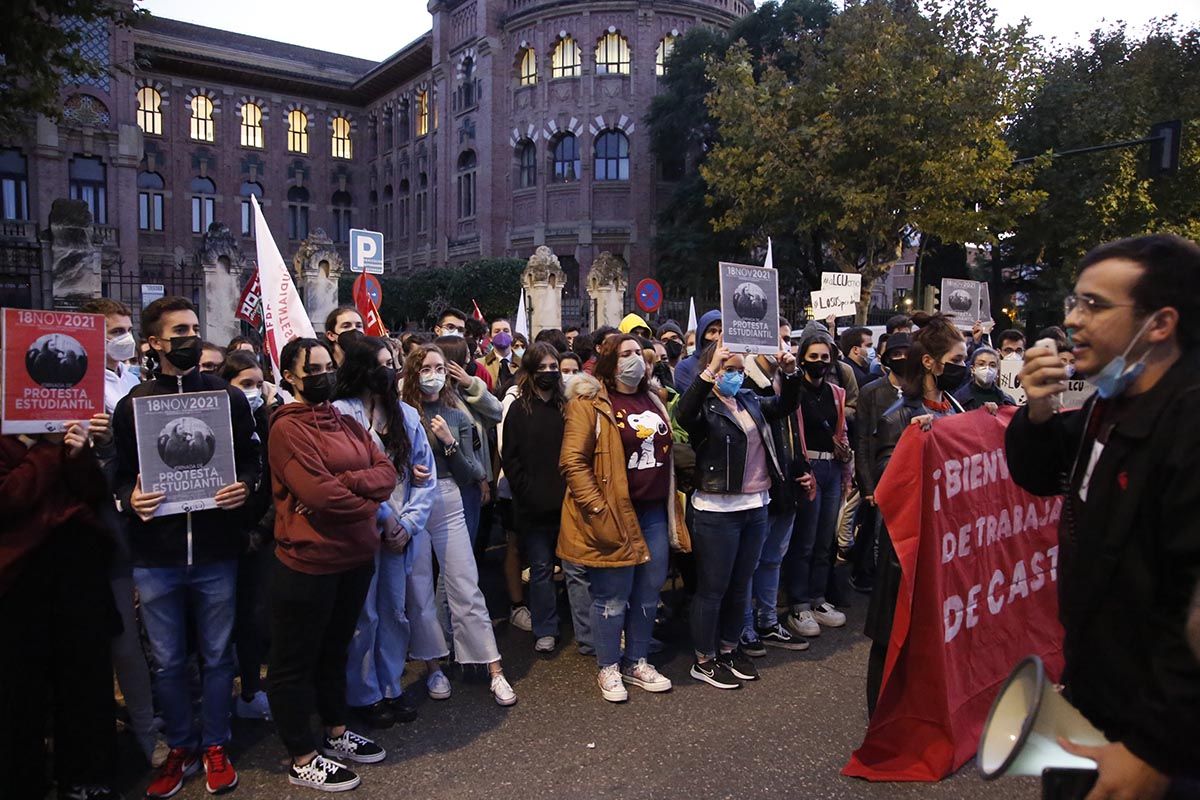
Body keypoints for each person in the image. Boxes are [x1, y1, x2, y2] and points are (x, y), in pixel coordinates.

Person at [1005, 235, 1200, 799]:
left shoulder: (1190, 422)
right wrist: (1037, 414)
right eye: (1074, 302)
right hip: (1102, 698)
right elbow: (1043, 476)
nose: (1072, 320)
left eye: (1094, 305)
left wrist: (1153, 750)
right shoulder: (1108, 403)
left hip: (1167, 736)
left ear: (1160, 323)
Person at [112, 296, 259, 797]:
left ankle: (215, 742)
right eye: (179, 330)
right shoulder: (132, 405)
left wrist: (245, 486)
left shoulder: (228, 398)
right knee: (169, 661)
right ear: (153, 342)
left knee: (219, 657)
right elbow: (118, 472)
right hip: (156, 557)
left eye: (195, 327)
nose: (191, 337)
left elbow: (253, 462)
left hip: (216, 552)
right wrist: (128, 497)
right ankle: (180, 746)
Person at [266, 337, 395, 792]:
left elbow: (387, 472)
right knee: (294, 662)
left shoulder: (344, 420)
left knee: (334, 651)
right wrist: (362, 499)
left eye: (327, 366)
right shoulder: (286, 427)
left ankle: (336, 731)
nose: (322, 375)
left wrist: (345, 485)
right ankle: (302, 755)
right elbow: (316, 493)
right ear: (290, 378)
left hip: (355, 557)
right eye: (312, 370)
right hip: (308, 563)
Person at [560, 334, 689, 701]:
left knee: (649, 594)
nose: (636, 360)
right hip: (614, 513)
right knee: (611, 597)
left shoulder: (653, 398)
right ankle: (608, 667)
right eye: (626, 354)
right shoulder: (589, 403)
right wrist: (598, 508)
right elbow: (573, 461)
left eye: (639, 354)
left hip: (654, 513)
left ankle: (637, 660)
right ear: (608, 362)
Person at [0, 421, 122, 800]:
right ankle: (22, 780)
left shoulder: (68, 433)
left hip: (77, 566)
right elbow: (8, 500)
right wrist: (46, 449)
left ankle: (84, 776)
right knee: (19, 689)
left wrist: (76, 453)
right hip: (19, 577)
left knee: (84, 677)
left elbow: (93, 494)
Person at [332, 337, 447, 727]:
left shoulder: (406, 416)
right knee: (364, 616)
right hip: (361, 530)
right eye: (381, 363)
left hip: (402, 536)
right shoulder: (340, 415)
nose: (388, 370)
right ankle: (363, 694)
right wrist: (386, 520)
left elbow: (424, 475)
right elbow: (345, 479)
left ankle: (391, 686)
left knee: (395, 613)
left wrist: (408, 524)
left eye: (391, 362)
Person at [675, 337, 800, 688]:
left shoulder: (748, 400)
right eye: (728, 370)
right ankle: (704, 658)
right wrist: (712, 369)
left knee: (740, 585)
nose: (734, 376)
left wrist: (791, 374)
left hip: (755, 505)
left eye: (738, 371)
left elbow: (786, 405)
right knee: (713, 588)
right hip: (717, 509)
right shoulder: (704, 408)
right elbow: (683, 415)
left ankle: (729, 648)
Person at [401, 344, 517, 706]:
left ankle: (493, 668)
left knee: (465, 584)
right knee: (419, 587)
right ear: (413, 372)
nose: (433, 373)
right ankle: (434, 666)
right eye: (426, 367)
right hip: (413, 501)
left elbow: (474, 471)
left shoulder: (457, 415)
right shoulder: (402, 415)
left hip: (450, 497)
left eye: (439, 367)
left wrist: (450, 445)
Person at [865, 313, 967, 716]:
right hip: (907, 548)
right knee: (890, 633)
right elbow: (890, 484)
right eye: (957, 358)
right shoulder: (899, 417)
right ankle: (883, 716)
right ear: (931, 362)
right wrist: (918, 444)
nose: (963, 366)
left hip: (945, 540)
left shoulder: (955, 407)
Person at [78, 297, 166, 767]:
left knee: (130, 640)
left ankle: (147, 728)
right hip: (78, 525)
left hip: (125, 522)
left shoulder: (131, 382)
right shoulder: (69, 385)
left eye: (126, 329)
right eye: (113, 331)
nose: (123, 338)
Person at [739, 348, 815, 654]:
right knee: (750, 563)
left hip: (787, 486)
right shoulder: (745, 387)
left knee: (773, 559)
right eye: (777, 340)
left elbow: (794, 431)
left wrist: (804, 469)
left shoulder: (786, 381)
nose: (784, 348)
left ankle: (767, 620)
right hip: (760, 490)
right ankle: (744, 626)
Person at [219, 350, 280, 724]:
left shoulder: (270, 422)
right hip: (220, 535)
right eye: (244, 385)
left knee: (256, 617)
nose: (254, 393)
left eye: (259, 385)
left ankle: (253, 689)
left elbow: (278, 484)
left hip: (261, 535)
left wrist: (261, 531)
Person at [782, 326, 854, 640]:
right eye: (813, 356)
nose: (819, 362)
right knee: (805, 541)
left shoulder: (837, 393)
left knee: (826, 541)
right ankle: (798, 604)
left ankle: (818, 598)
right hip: (807, 468)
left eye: (825, 357)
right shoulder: (794, 390)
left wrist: (847, 467)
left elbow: (842, 433)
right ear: (802, 358)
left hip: (832, 469)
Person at [501, 343, 569, 653]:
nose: (548, 373)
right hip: (533, 506)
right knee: (541, 569)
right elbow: (510, 457)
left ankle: (583, 627)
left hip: (568, 503)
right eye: (541, 368)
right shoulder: (519, 407)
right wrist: (527, 492)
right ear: (529, 371)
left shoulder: (565, 406)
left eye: (553, 367)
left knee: (576, 569)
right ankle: (546, 627)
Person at [849, 332, 910, 595]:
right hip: (881, 475)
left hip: (912, 477)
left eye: (908, 355)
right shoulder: (871, 392)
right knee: (878, 535)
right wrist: (867, 485)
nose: (903, 360)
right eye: (897, 355)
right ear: (886, 360)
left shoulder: (920, 391)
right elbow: (862, 441)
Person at [953, 346, 1015, 411]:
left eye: (992, 365)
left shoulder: (1008, 400)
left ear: (997, 370)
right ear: (972, 369)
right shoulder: (959, 399)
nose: (987, 368)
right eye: (981, 364)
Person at [673, 310, 722, 393]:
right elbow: (690, 399)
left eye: (721, 332)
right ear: (702, 335)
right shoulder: (684, 367)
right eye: (712, 331)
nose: (717, 337)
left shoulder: (730, 364)